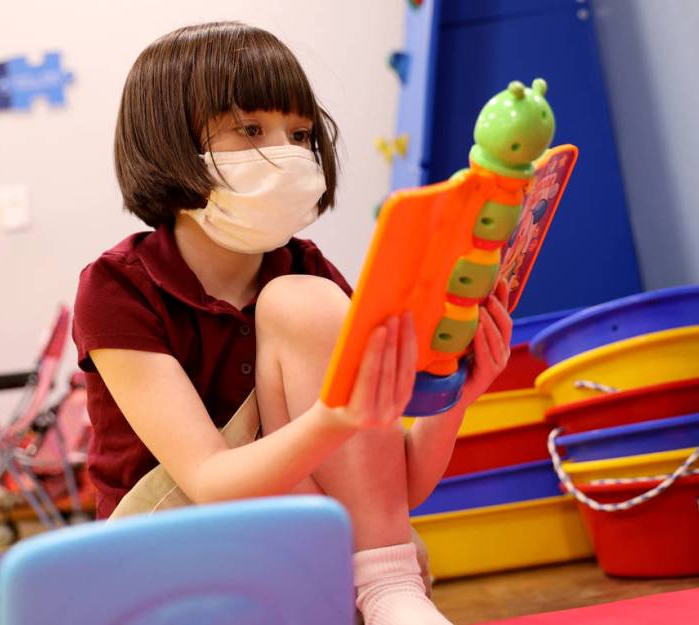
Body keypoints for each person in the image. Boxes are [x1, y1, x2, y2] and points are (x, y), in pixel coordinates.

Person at [72, 21, 513, 625]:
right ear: (169, 141)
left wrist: (457, 395)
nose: (285, 151)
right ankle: (380, 590)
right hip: (168, 551)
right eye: (251, 129)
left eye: (299, 133)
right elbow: (209, 480)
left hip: (307, 552)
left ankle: (388, 591)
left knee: (300, 301)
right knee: (300, 310)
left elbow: (394, 491)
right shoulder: (118, 287)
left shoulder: (308, 271)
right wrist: (337, 418)